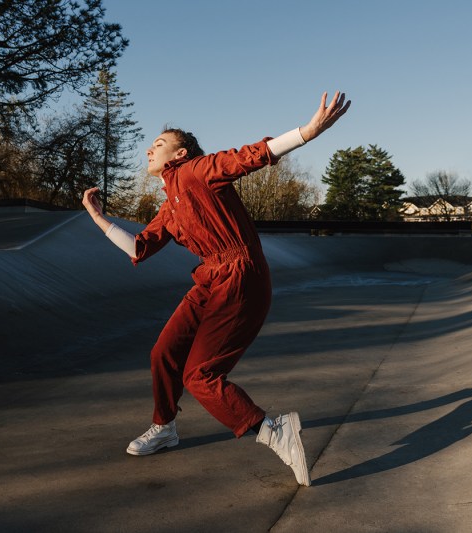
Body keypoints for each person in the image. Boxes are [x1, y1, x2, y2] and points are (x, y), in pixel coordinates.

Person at [82, 91, 350, 486]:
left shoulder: (199, 170)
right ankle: (165, 427)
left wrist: (306, 133)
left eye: (159, 144)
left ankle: (272, 430)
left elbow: (250, 156)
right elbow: (139, 247)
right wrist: (98, 217)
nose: (148, 150)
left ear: (180, 154)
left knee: (200, 375)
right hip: (211, 277)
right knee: (164, 353)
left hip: (243, 277)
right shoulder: (170, 205)